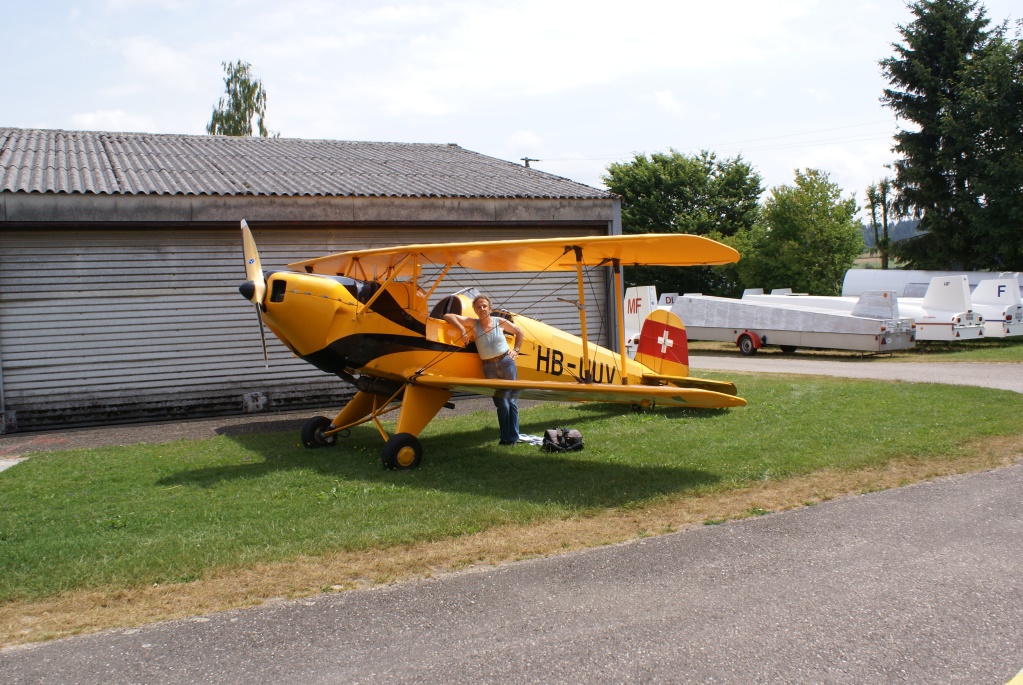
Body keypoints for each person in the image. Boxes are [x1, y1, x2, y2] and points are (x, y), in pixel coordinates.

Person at [445, 294, 524, 445]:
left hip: (506, 363)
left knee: (512, 402)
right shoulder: (473, 323)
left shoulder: (499, 322)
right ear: (474, 310)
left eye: (484, 306)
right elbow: (448, 315)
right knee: (501, 404)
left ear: (490, 308)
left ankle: (512, 438)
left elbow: (519, 331)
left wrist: (516, 350)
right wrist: (462, 329)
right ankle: (504, 438)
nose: (482, 309)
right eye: (478, 306)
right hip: (488, 367)